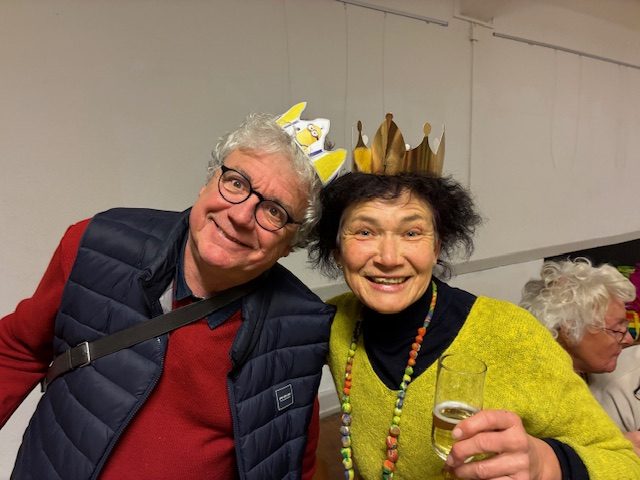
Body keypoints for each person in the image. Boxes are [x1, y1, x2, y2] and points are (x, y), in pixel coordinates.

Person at [0, 103, 345, 479]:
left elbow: (289, 457)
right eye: (236, 183)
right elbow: (16, 351)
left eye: (274, 211)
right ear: (209, 180)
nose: (240, 215)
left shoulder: (301, 326)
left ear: (290, 244)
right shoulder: (97, 244)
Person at [306, 114, 640, 479]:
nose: (388, 258)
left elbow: (624, 463)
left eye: (412, 233)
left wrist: (547, 462)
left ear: (438, 246)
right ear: (337, 250)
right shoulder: (333, 322)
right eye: (365, 232)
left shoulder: (513, 336)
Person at [520, 258, 640, 455]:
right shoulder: (540, 395)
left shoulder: (579, 375)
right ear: (569, 330)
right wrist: (616, 447)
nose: (627, 339)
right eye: (616, 330)